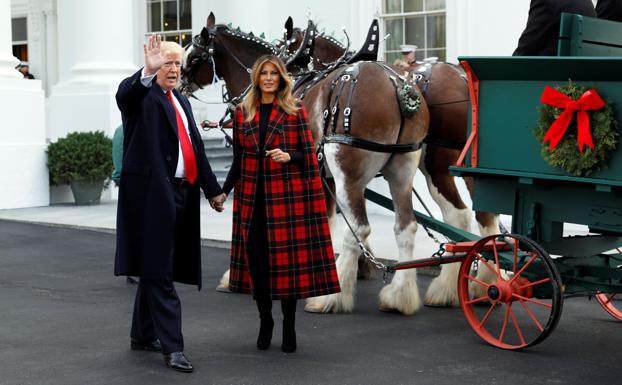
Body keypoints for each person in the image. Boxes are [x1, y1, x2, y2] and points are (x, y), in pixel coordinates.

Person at [115, 35, 226, 373]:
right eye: (167, 62)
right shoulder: (142, 96)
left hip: (182, 193)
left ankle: (141, 333)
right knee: (161, 269)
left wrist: (212, 189)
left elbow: (196, 148)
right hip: (151, 197)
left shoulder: (181, 100)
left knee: (156, 264)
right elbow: (125, 96)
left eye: (177, 63)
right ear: (153, 65)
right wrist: (145, 72)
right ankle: (173, 346)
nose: (174, 69)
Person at [222, 55, 340, 353]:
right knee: (259, 268)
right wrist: (223, 191)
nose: (270, 78)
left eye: (275, 73)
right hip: (252, 203)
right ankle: (266, 321)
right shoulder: (241, 114)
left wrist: (290, 156)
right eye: (264, 73)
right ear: (257, 78)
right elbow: (238, 160)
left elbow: (309, 156)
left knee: (286, 268)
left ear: (282, 78)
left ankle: (288, 323)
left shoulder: (294, 110)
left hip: (285, 204)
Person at [513, 0, 596, 56]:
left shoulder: (546, 2)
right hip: (577, 72)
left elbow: (527, 46)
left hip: (552, 75)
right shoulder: (587, 2)